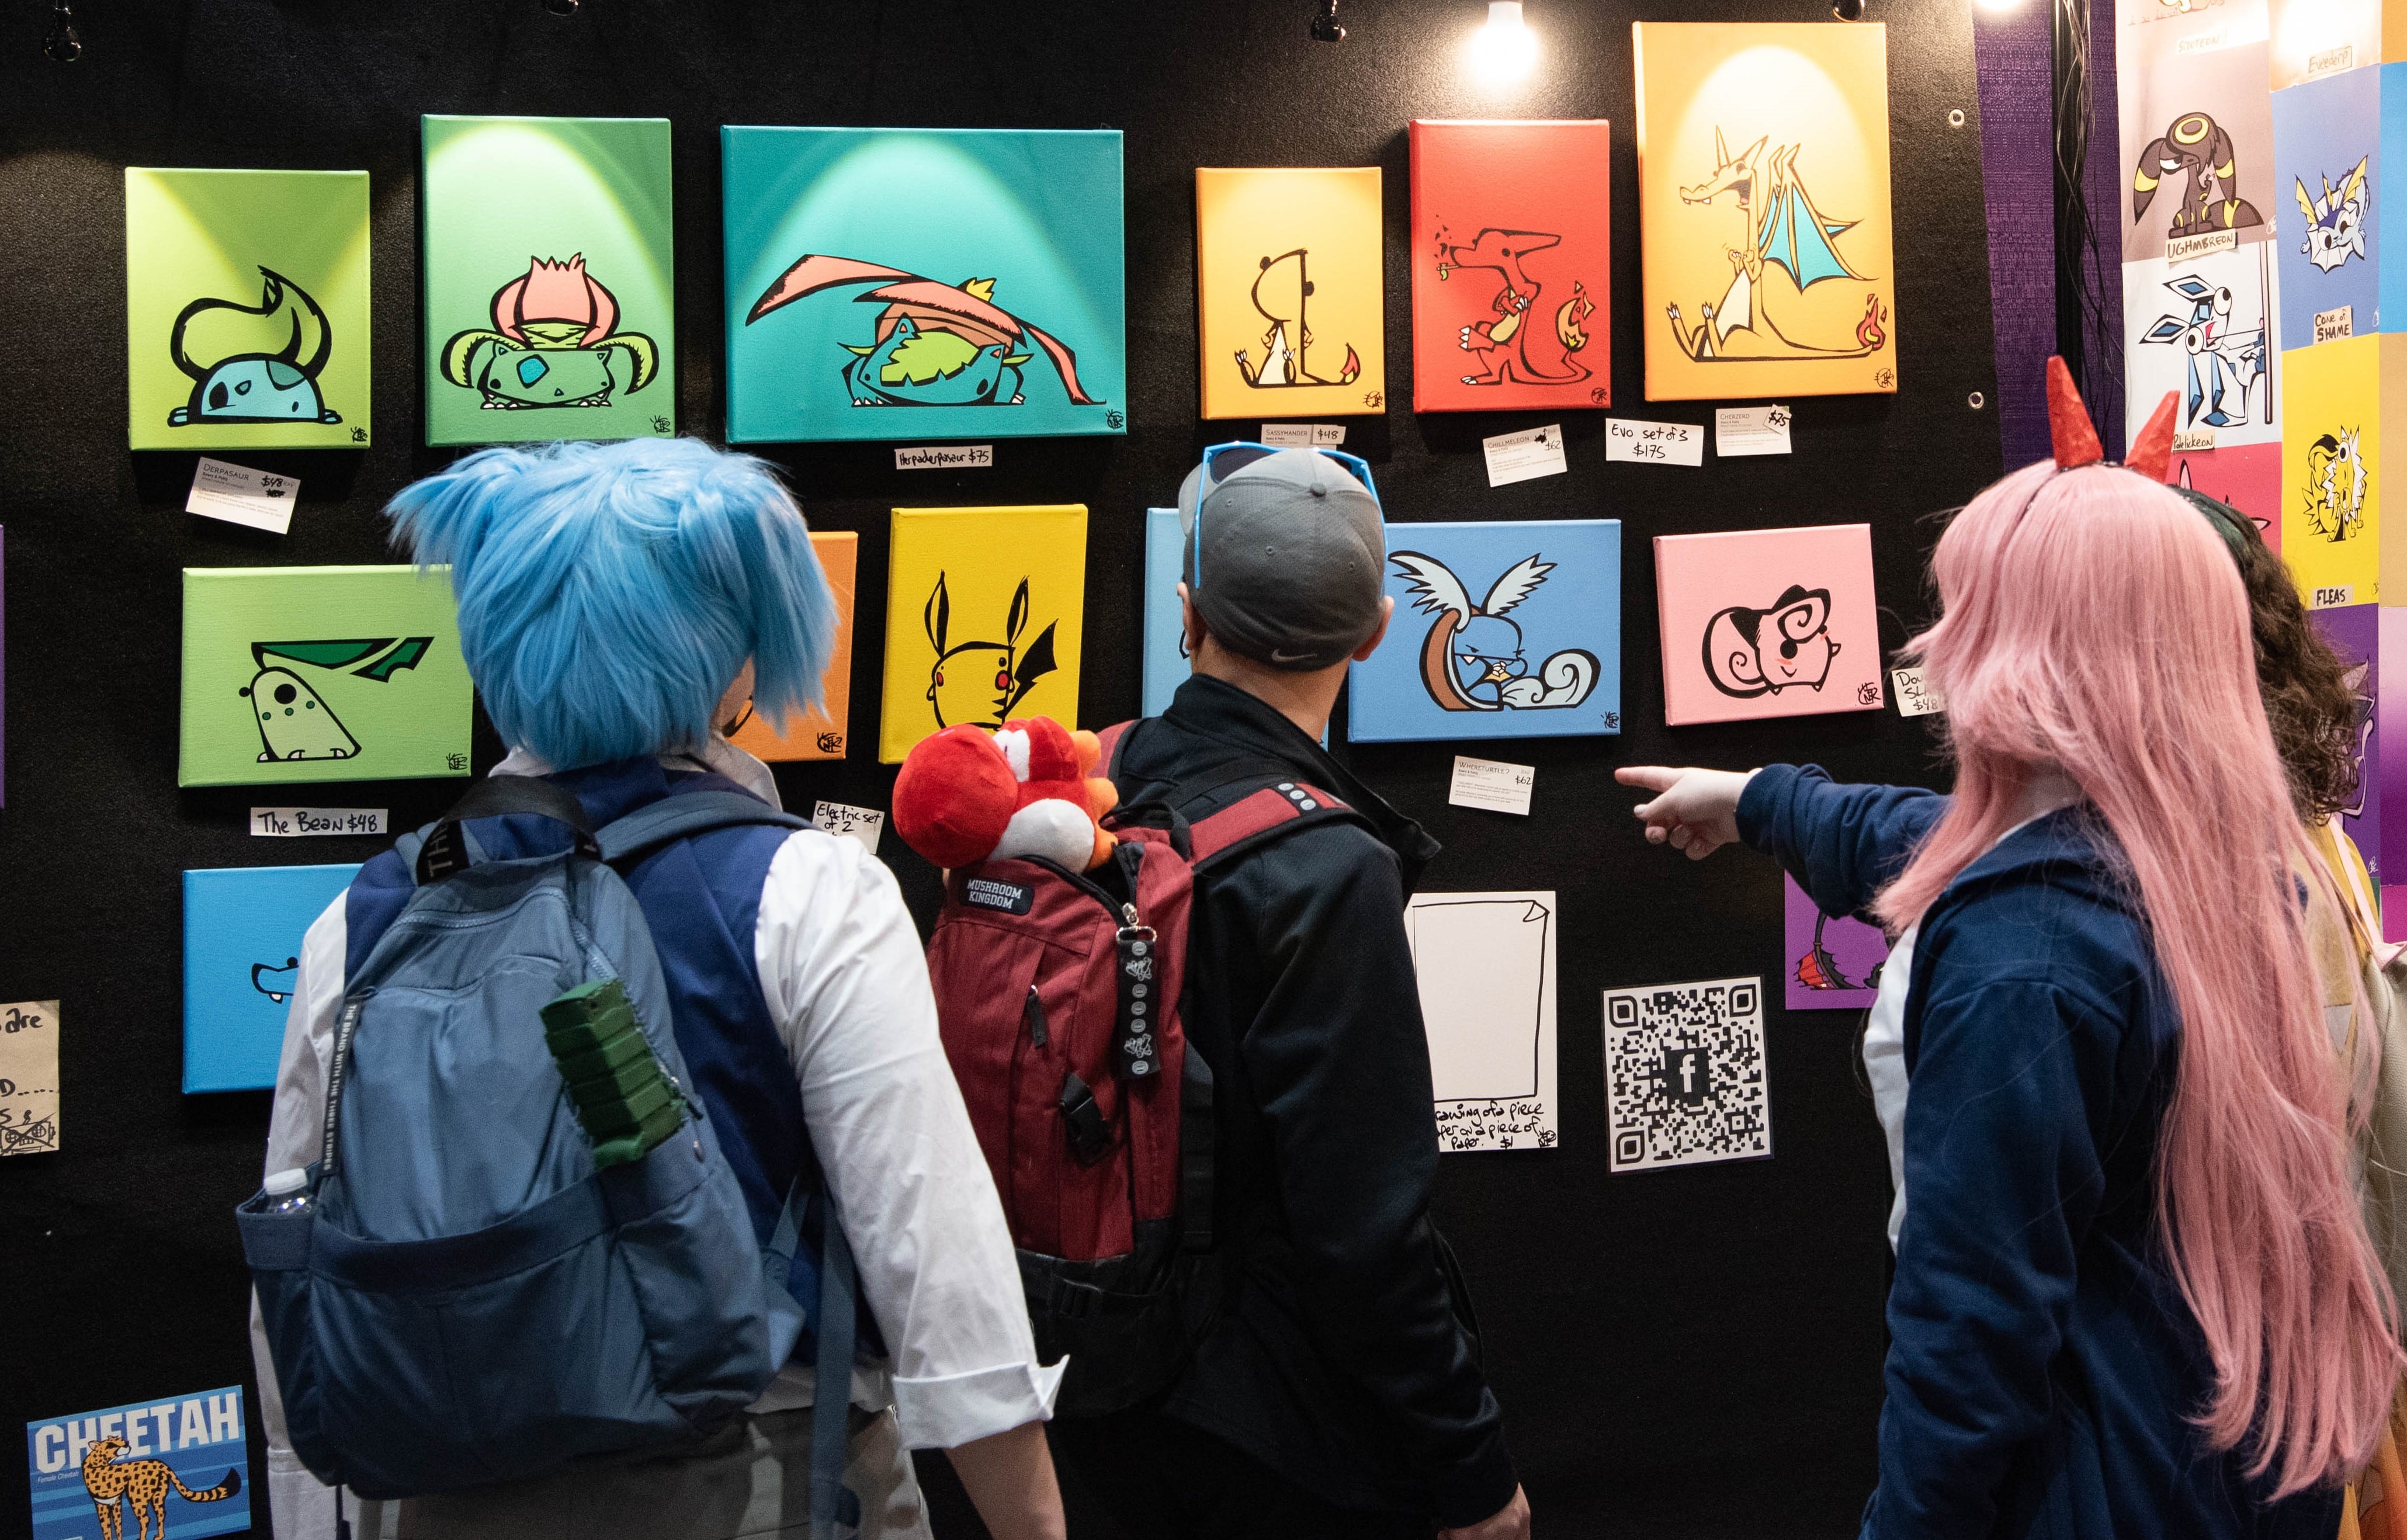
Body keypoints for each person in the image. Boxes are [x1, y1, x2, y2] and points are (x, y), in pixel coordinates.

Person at [247, 438, 1067, 1540]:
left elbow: (299, 1267)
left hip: (438, 1494)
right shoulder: (811, 890)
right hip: (756, 1482)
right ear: (737, 660)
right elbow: (937, 1264)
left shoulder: (367, 914)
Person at [1618, 406, 2402, 1535]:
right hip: (2231, 1461)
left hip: (2090, 1489)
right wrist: (1758, 802)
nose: (1938, 640)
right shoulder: (2218, 859)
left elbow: (1970, 1333)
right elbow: (1939, 842)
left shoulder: (2025, 963)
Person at [1048, 443, 1529, 1540]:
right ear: (1373, 635)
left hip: (1085, 1373)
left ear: (1187, 611)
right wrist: (1472, 1471)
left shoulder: (1091, 790)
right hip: (1270, 1430)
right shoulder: (1325, 867)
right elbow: (1363, 1227)